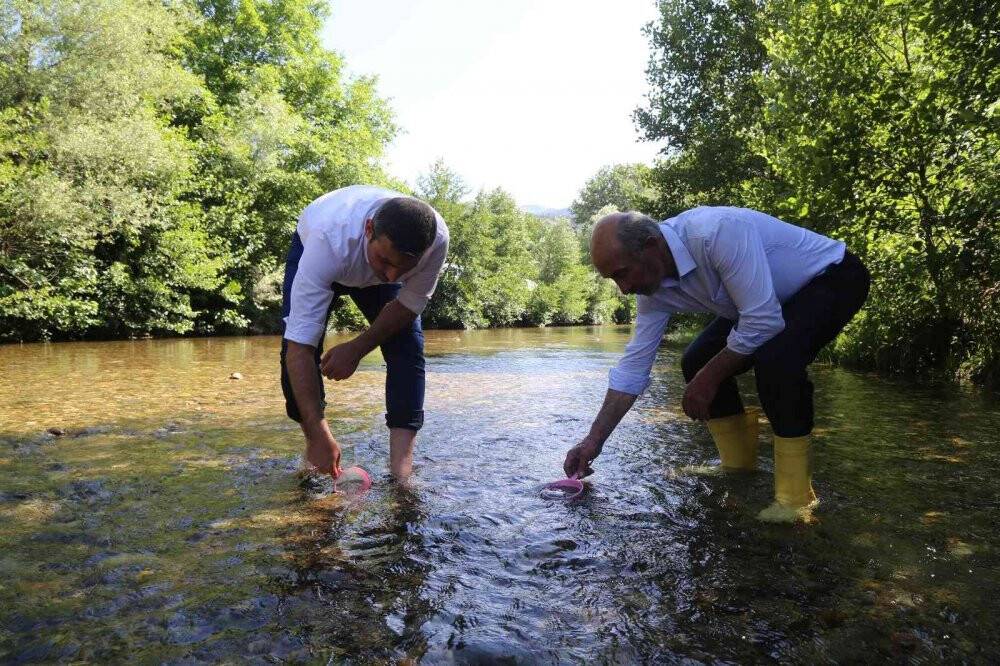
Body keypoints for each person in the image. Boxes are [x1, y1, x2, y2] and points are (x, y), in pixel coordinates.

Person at [563, 208, 870, 521]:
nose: (624, 289)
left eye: (622, 273)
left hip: (831, 276)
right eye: (614, 279)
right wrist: (593, 441)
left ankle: (796, 500)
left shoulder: (717, 233)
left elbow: (763, 321)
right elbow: (633, 368)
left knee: (777, 361)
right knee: (695, 360)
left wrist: (708, 379)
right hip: (767, 302)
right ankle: (738, 467)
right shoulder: (652, 292)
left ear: (652, 246)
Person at [281, 185, 449, 481]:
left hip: (360, 252)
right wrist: (319, 432)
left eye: (404, 268)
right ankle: (315, 445)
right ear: (369, 229)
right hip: (325, 249)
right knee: (293, 349)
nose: (392, 276)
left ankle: (401, 473)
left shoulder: (436, 240)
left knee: (407, 349)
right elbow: (299, 348)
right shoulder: (327, 242)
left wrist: (358, 347)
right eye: (386, 261)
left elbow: (409, 305)